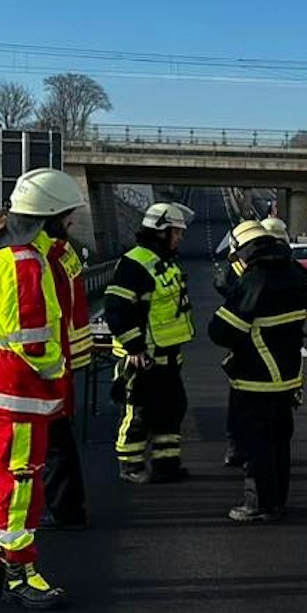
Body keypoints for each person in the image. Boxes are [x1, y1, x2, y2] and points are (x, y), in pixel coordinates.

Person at [0, 168, 85, 610]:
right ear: (49, 217)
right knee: (22, 481)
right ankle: (19, 568)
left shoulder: (2, 250)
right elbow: (33, 338)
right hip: (23, 390)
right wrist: (58, 374)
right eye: (66, 219)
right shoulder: (28, 263)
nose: (69, 227)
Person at [208, 219, 307, 522]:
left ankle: (258, 504)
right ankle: (277, 500)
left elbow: (221, 331)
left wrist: (233, 294)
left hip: (255, 376)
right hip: (288, 374)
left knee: (255, 443)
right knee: (280, 441)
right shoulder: (296, 273)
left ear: (244, 250)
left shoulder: (255, 281)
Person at [103, 202, 194, 484]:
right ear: (161, 231)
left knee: (171, 410)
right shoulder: (134, 263)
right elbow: (116, 307)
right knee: (138, 413)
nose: (179, 238)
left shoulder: (163, 261)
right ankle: (130, 466)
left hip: (168, 356)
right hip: (142, 358)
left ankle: (166, 465)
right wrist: (134, 347)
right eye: (176, 233)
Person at [39, 224, 93, 530]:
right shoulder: (64, 251)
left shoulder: (48, 256)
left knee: (55, 445)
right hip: (64, 358)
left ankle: (64, 508)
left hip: (47, 366)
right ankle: (67, 506)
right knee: (61, 442)